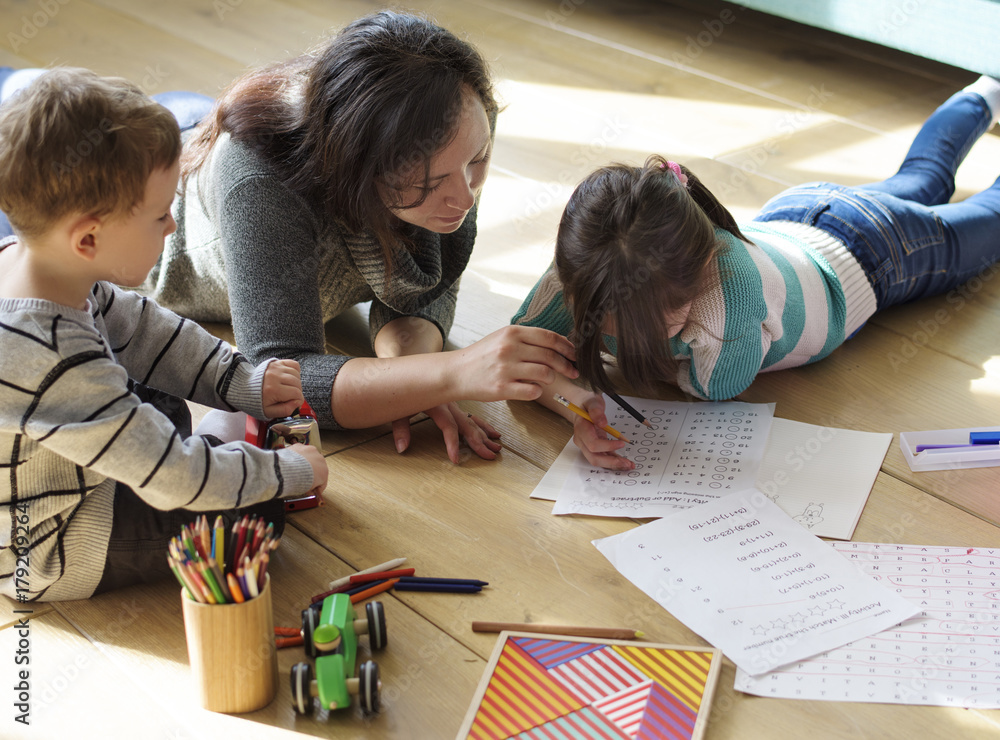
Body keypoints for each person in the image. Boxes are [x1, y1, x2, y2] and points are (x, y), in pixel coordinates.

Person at [134, 10, 578, 464]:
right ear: (358, 168)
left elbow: (427, 276)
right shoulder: (259, 182)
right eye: (429, 184)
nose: (464, 198)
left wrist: (414, 376)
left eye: (478, 160)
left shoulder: (457, 122)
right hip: (162, 199)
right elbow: (277, 380)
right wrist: (450, 373)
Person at [513, 76, 1000, 471]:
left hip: (876, 253)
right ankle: (986, 90)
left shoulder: (731, 297)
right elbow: (519, 350)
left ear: (701, 270)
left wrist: (610, 356)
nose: (626, 336)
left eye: (652, 323)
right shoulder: (584, 268)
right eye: (604, 321)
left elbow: (718, 386)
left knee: (988, 220)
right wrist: (576, 404)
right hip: (800, 211)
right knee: (922, 179)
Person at [0, 68, 329, 602]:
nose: (173, 228)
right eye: (159, 216)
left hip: (60, 460)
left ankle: (211, 452)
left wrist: (241, 381)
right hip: (49, 544)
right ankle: (219, 460)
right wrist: (285, 470)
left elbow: (146, 331)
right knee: (256, 514)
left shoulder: (39, 267)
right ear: (88, 238)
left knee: (157, 384)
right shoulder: (50, 354)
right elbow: (173, 479)